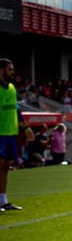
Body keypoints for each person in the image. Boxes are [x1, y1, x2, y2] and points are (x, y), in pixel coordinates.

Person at [0, 58, 24, 211]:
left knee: (5, 168)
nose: (13, 72)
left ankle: (3, 201)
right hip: (1, 133)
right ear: (1, 70)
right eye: (10, 69)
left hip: (11, 133)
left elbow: (16, 109)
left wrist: (25, 127)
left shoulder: (11, 88)